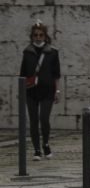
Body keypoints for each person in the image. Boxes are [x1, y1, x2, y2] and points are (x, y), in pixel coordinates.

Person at [19, 22, 60, 160]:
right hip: (31, 91)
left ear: (45, 36)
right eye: (35, 35)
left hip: (47, 90)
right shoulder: (27, 52)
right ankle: (37, 149)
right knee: (34, 120)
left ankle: (46, 144)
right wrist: (22, 91)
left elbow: (56, 74)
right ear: (32, 36)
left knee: (44, 118)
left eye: (41, 34)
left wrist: (57, 91)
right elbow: (23, 74)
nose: (38, 37)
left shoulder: (53, 52)